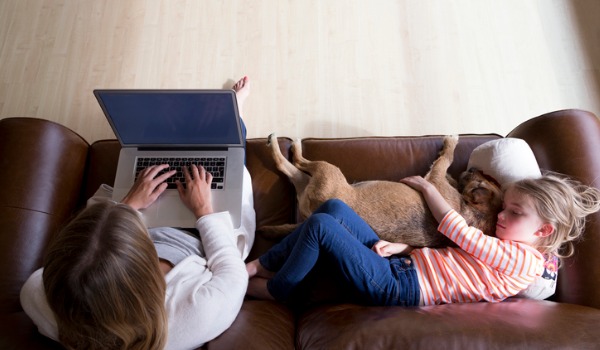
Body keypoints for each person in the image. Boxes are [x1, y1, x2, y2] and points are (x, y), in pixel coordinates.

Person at [20, 76, 256, 350]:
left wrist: (128, 206)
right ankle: (232, 113)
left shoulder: (43, 300)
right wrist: (203, 210)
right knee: (227, 156)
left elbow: (45, 278)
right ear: (142, 281)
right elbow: (233, 273)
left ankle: (199, 119)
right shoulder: (191, 318)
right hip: (200, 239)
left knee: (153, 158)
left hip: (145, 218)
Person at [246, 172, 600, 306]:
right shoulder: (507, 248)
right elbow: (453, 259)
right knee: (334, 209)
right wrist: (408, 247)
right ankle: (261, 266)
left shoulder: (526, 261)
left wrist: (430, 188)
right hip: (401, 264)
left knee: (321, 228)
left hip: (399, 287)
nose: (501, 217)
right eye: (504, 208)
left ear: (544, 231)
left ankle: (276, 287)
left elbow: (459, 232)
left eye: (515, 213)